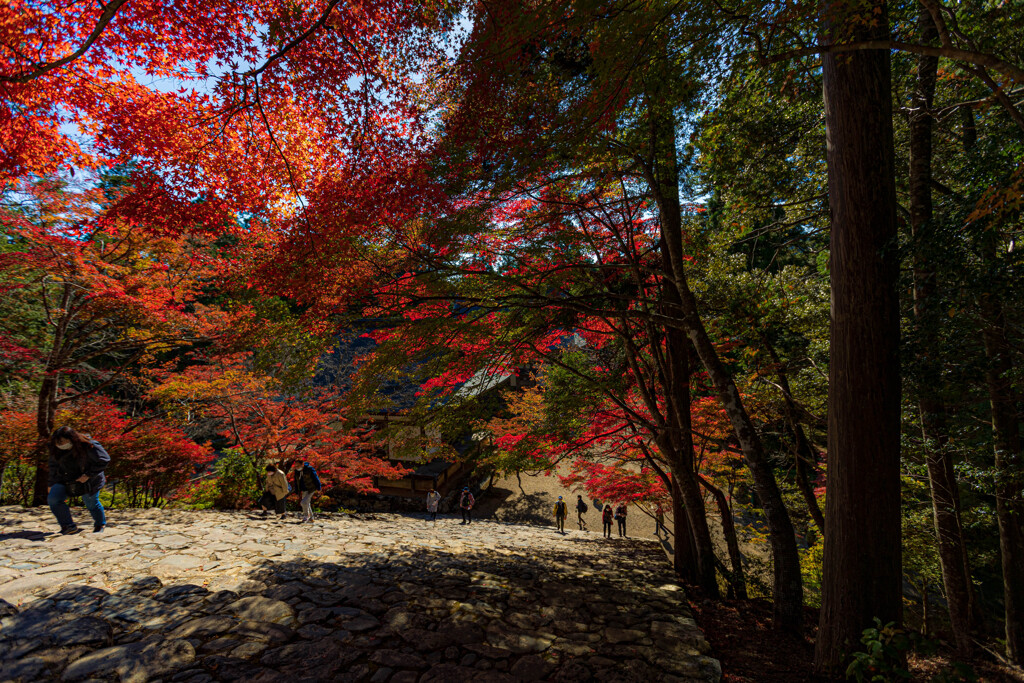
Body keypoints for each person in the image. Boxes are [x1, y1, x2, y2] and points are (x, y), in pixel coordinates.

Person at [47, 427, 110, 534]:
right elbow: (53, 466)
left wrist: (88, 475)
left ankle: (100, 524)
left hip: (90, 480)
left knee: (91, 503)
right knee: (54, 499)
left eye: (63, 441)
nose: (61, 444)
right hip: (64, 478)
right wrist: (51, 483)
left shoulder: (89, 445)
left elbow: (104, 460)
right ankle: (68, 526)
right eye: (58, 442)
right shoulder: (55, 449)